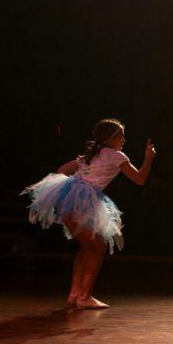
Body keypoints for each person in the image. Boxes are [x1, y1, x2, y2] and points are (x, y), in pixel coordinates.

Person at [21, 118, 155, 309]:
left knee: (86, 248)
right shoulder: (118, 156)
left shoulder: (92, 154)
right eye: (122, 136)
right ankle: (84, 297)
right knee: (98, 248)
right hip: (83, 203)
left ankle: (75, 294)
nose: (124, 140)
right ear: (113, 137)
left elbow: (62, 170)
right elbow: (140, 179)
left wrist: (76, 185)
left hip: (68, 201)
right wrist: (148, 158)